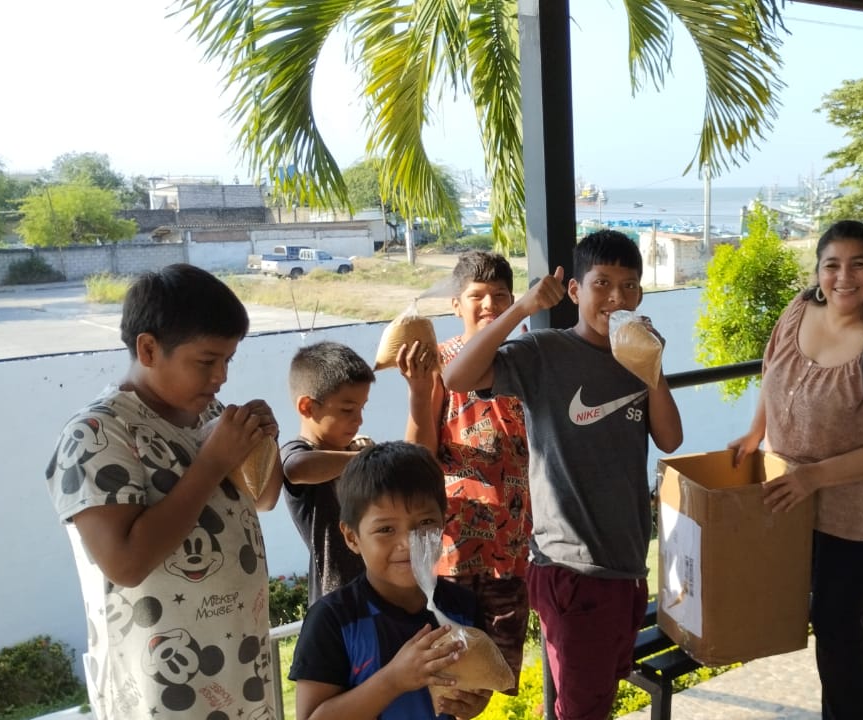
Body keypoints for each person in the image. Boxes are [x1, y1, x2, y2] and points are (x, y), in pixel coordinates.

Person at [442, 229, 684, 720]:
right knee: (582, 710)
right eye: (602, 283)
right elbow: (456, 377)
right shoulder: (545, 352)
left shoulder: (636, 357)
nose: (616, 297)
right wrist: (522, 307)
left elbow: (671, 438)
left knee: (594, 697)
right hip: (572, 568)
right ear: (575, 290)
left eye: (629, 286)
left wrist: (652, 365)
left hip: (627, 567)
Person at [44, 263, 283, 719]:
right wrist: (211, 463)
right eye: (207, 361)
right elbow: (126, 564)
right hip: (161, 696)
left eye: (228, 360)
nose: (221, 376)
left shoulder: (207, 413)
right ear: (149, 349)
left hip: (240, 671)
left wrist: (263, 443)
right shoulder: (97, 434)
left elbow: (264, 499)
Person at [728, 220, 863, 720]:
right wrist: (756, 432)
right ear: (818, 271)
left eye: (858, 265)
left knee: (834, 617)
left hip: (862, 510)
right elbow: (772, 372)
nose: (844, 277)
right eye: (832, 265)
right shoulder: (799, 310)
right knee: (840, 618)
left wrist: (814, 476)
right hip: (796, 497)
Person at [289, 441, 492, 719]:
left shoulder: (462, 607)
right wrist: (393, 680)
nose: (408, 543)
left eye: (425, 523)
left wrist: (472, 704)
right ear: (352, 537)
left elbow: (474, 690)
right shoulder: (333, 620)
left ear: (443, 523)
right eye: (385, 529)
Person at [404, 250, 532, 688]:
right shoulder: (438, 363)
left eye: (501, 295)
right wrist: (418, 394)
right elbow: (418, 458)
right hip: (452, 554)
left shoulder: (529, 361)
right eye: (477, 295)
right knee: (447, 680)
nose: (490, 304)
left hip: (512, 551)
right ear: (456, 305)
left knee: (497, 676)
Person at [281, 340, 376, 604]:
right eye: (347, 410)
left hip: (376, 589)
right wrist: (364, 460)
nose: (359, 419)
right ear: (307, 407)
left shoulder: (355, 449)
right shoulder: (299, 451)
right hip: (336, 599)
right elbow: (295, 467)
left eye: (362, 408)